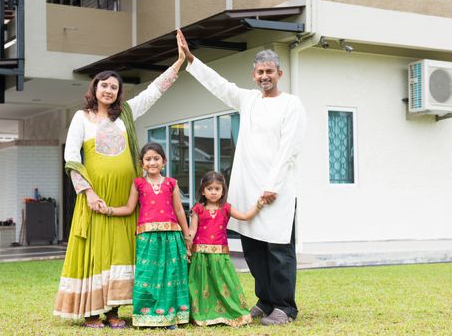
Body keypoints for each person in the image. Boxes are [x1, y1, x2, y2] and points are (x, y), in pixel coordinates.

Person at [177, 29, 307, 325]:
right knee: (253, 248)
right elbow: (219, 86)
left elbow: (289, 148)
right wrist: (191, 60)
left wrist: (272, 187)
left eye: (269, 71)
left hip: (277, 191)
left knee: (278, 250)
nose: (264, 76)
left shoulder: (291, 104)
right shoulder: (248, 100)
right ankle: (265, 300)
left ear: (279, 73)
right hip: (246, 188)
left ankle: (286, 307)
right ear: (254, 75)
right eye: (260, 72)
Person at [53, 38, 186, 328]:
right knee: (96, 251)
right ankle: (90, 312)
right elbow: (71, 157)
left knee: (121, 252)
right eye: (104, 85)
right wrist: (87, 193)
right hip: (96, 197)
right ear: (94, 88)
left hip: (125, 200)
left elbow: (154, 92)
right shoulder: (81, 117)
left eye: (114, 87)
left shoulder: (125, 114)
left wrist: (178, 63)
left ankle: (113, 311)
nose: (109, 90)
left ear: (118, 92)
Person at [98, 142, 191, 329]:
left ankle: (170, 316)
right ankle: (146, 316)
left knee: (170, 275)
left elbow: (179, 210)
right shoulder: (138, 183)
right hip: (147, 237)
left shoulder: (171, 183)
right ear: (142, 163)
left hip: (171, 236)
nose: (152, 162)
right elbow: (129, 208)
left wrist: (187, 236)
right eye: (148, 159)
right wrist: (108, 210)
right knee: (147, 276)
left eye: (156, 158)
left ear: (163, 161)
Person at [188, 171, 264, 327]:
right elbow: (192, 230)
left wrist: (259, 205)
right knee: (201, 286)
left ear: (223, 191)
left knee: (224, 284)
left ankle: (230, 312)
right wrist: (186, 246)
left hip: (220, 256)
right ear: (203, 191)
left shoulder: (226, 208)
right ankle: (201, 314)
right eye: (210, 188)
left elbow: (244, 216)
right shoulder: (198, 209)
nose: (214, 192)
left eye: (217, 188)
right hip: (200, 256)